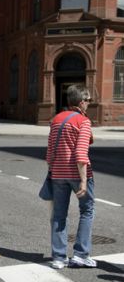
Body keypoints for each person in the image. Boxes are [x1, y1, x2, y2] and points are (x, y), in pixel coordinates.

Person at [46, 84, 96, 270]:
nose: (89, 104)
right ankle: (80, 255)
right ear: (81, 102)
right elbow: (81, 154)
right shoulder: (83, 121)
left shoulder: (56, 119)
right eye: (88, 100)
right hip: (78, 174)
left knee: (59, 214)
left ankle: (59, 257)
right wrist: (83, 180)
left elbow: (50, 153)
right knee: (87, 211)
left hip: (58, 174)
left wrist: (54, 169)